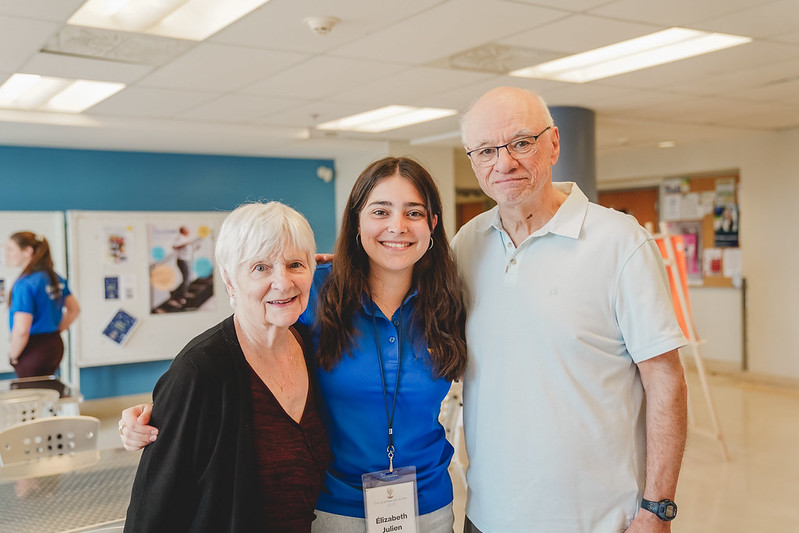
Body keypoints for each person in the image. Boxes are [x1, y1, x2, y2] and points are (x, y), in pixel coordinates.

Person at [120, 157, 468, 532]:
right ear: (357, 221)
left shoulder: (451, 299)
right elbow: (245, 349)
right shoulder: (314, 292)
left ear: (432, 223)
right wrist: (169, 408)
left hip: (429, 506)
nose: (397, 227)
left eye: (414, 212)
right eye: (380, 211)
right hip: (334, 509)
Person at [452, 86, 689, 532]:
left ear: (555, 143)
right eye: (485, 150)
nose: (504, 163)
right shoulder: (466, 244)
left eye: (521, 142)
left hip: (596, 520)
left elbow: (665, 379)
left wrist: (658, 508)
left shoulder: (621, 242)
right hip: (487, 516)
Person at [124, 202, 331, 532]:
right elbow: (153, 513)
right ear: (229, 280)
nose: (283, 282)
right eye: (261, 268)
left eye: (295, 264)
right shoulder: (199, 371)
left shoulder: (314, 348)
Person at [5, 232, 80, 377]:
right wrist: (56, 330)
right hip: (54, 345)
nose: (7, 254)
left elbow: (21, 331)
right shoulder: (54, 277)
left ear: (27, 251)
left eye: (11, 249)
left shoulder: (26, 284)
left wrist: (13, 356)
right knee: (48, 393)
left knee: (31, 395)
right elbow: (74, 310)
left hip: (33, 349)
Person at [170, 225, 193, 306]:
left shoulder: (185, 238)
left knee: (188, 279)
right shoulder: (180, 238)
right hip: (182, 260)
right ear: (183, 231)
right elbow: (174, 246)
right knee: (187, 279)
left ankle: (178, 293)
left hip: (187, 260)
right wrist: (185, 244)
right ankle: (178, 296)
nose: (189, 231)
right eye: (187, 229)